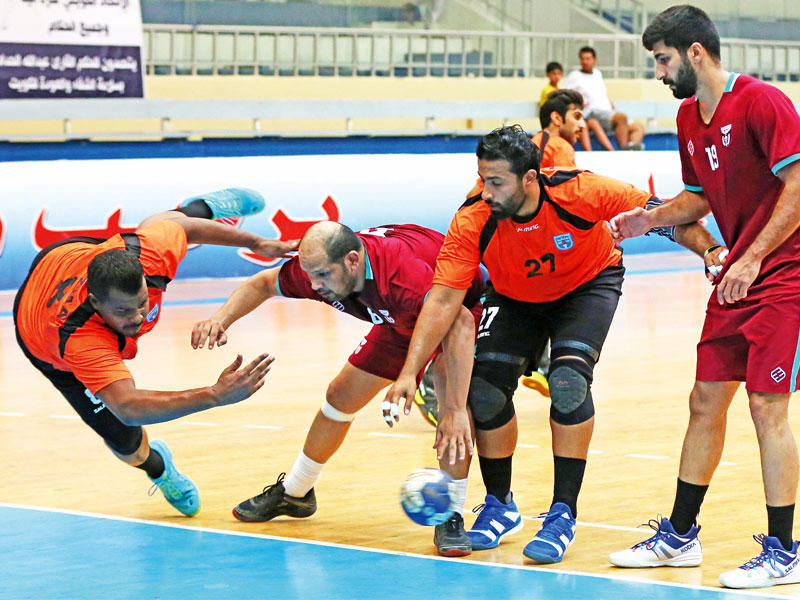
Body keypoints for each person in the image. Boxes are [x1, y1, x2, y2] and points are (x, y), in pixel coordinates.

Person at [383, 125, 722, 564]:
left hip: (588, 285)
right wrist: (409, 372)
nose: (486, 191)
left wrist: (709, 251)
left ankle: (562, 514)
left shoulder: (580, 191)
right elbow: (443, 298)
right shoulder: (473, 217)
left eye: (496, 182)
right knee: (484, 390)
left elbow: (664, 215)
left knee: (567, 382)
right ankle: (500, 505)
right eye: (482, 179)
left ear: (530, 178)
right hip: (514, 296)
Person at [607, 5, 800, 590]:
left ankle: (785, 552)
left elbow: (798, 186)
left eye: (663, 59)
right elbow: (700, 196)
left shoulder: (763, 102)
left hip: (784, 275)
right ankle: (680, 536)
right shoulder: (689, 118)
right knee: (704, 400)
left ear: (696, 52)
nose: (659, 72)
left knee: (766, 407)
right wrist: (649, 219)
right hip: (737, 277)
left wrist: (753, 256)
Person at [191, 221, 484, 556]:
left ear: (352, 261)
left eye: (322, 275)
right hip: (400, 316)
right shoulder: (322, 267)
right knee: (340, 396)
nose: (315, 285)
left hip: (462, 309)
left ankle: (450, 514)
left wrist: (415, 379)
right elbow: (262, 284)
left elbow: (458, 320)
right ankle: (296, 493)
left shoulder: (401, 274)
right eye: (310, 275)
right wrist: (220, 320)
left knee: (452, 406)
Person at [14, 188, 294, 517]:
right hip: (39, 334)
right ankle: (160, 469)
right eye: (123, 312)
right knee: (127, 444)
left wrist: (257, 243)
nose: (136, 317)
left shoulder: (146, 257)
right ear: (96, 303)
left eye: (142, 303)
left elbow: (183, 229)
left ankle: (201, 207)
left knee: (163, 224)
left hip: (67, 255)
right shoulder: (81, 339)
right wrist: (215, 394)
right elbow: (129, 407)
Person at [563, 46, 645, 151]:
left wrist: (611, 105)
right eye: (582, 59)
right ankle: (623, 150)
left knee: (638, 127)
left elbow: (601, 94)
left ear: (594, 60)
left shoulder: (597, 73)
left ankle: (630, 147)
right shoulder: (575, 76)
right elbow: (564, 95)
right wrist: (579, 103)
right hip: (593, 114)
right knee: (621, 117)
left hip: (608, 113)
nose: (585, 62)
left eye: (588, 59)